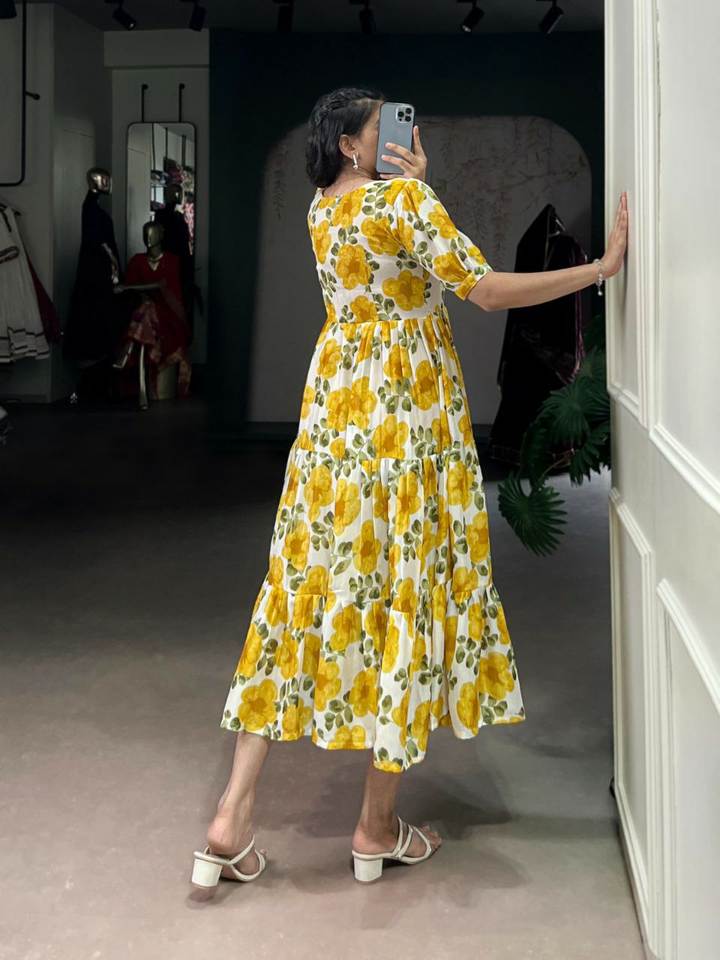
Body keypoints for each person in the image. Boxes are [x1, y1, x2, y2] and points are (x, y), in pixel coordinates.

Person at [190, 87, 629, 892]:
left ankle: (231, 814)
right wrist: (597, 270)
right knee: (409, 586)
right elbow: (483, 289)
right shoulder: (404, 204)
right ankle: (375, 825)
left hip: (337, 416)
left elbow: (390, 259)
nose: (401, 134)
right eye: (382, 128)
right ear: (353, 144)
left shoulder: (321, 209)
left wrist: (417, 188)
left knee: (300, 588)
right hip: (408, 416)